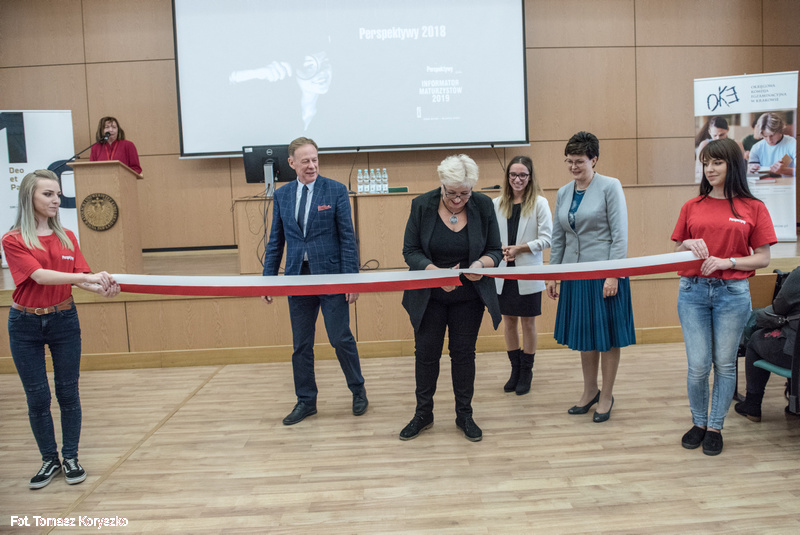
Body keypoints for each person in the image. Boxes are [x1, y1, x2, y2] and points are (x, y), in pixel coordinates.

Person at [3, 170, 120, 489]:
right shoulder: (13, 239)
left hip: (64, 321)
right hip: (24, 324)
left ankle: (70, 457)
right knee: (38, 397)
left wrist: (102, 288)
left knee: (68, 392)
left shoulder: (67, 236)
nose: (56, 200)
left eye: (57, 194)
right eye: (48, 194)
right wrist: (86, 278)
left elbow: (83, 278)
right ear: (29, 197)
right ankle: (49, 459)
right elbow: (40, 276)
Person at [672, 138, 776, 456]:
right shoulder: (692, 206)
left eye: (717, 162)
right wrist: (686, 245)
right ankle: (699, 422)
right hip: (692, 292)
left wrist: (728, 262)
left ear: (733, 165)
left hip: (732, 293)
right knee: (698, 365)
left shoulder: (753, 207)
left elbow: (763, 258)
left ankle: (715, 427)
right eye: (706, 163)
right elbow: (675, 250)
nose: (710, 169)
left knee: (725, 364)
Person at [262, 137, 367, 425]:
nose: (312, 165)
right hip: (297, 278)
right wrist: (267, 281)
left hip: (331, 276)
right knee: (301, 345)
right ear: (292, 163)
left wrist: (351, 281)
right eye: (305, 161)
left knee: (340, 338)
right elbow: (275, 241)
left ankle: (358, 390)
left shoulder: (335, 190)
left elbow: (348, 238)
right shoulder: (282, 195)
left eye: (315, 159)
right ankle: (306, 401)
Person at [399, 154, 502, 442]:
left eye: (464, 194)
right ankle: (423, 414)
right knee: (426, 354)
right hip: (429, 296)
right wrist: (436, 274)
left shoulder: (483, 205)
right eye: (451, 193)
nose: (458, 200)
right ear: (441, 185)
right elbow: (410, 251)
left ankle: (464, 414)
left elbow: (495, 250)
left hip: (469, 297)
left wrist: (480, 265)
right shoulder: (422, 205)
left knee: (464, 354)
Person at [546, 131, 635, 424]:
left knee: (607, 338)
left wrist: (613, 275)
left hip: (604, 275)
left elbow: (619, 236)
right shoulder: (563, 192)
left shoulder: (610, 186)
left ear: (593, 159)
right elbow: (558, 238)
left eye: (579, 161)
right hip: (575, 275)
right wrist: (553, 274)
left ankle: (606, 395)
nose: (573, 166)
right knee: (585, 336)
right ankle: (589, 391)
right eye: (569, 161)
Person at [492, 155, 552, 395]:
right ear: (508, 177)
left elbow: (547, 239)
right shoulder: (496, 203)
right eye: (513, 175)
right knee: (508, 321)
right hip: (502, 272)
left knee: (528, 322)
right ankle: (515, 370)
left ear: (530, 177)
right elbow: (489, 237)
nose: (518, 179)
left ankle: (526, 371)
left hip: (527, 271)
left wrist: (520, 248)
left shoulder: (539, 203)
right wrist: (501, 250)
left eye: (523, 175)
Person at [734, 266, 800, 422]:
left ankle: (752, 405)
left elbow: (779, 307)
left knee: (755, 340)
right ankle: (794, 403)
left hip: (794, 355)